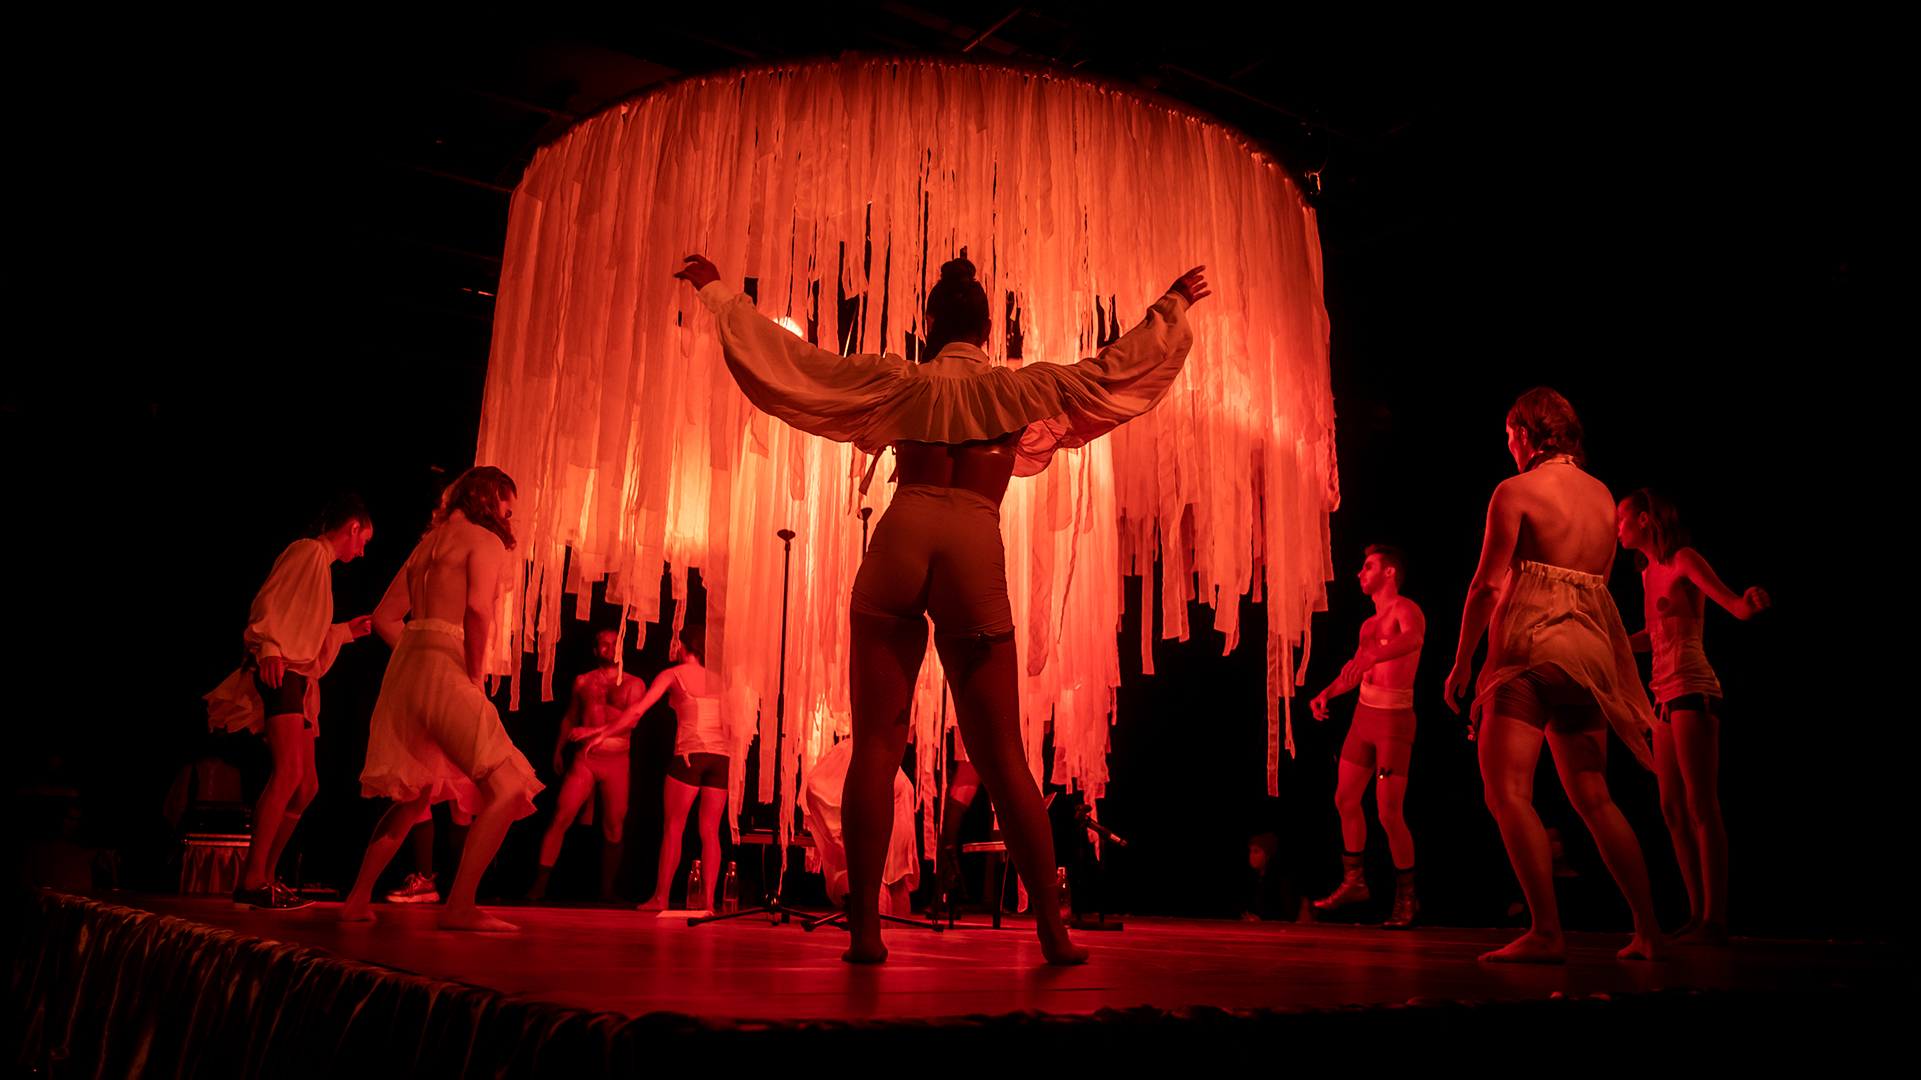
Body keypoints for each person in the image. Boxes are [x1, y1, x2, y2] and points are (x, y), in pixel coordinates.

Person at [677, 248, 1209, 963]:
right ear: (987, 331)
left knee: (872, 746)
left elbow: (792, 364)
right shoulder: (1022, 387)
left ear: (931, 327)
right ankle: (1053, 933)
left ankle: (864, 935)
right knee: (1003, 761)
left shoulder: (901, 380)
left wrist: (718, 295)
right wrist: (1170, 304)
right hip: (972, 537)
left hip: (901, 532)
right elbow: (1114, 370)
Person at [1442, 388, 1666, 963]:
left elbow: (1488, 585)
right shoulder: (1602, 497)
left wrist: (1464, 659)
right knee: (1595, 796)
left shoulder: (1514, 491)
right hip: (1590, 656)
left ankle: (1546, 930)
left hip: (1530, 650)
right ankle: (1648, 933)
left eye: (1510, 436)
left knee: (1507, 791)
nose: (1509, 447)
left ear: (1526, 432)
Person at [337, 467, 543, 930]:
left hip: (408, 672)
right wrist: (470, 673)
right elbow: (476, 609)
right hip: (447, 669)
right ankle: (460, 906)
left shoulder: (425, 546)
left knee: (416, 796)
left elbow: (387, 619)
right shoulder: (483, 540)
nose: (510, 518)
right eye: (508, 508)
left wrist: (419, 655)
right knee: (508, 788)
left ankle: (355, 901)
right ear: (492, 500)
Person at [204, 495, 375, 910]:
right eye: (364, 539)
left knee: (307, 785)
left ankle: (266, 874)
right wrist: (268, 648)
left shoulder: (320, 566)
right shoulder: (309, 552)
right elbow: (270, 603)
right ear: (352, 528)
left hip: (296, 677)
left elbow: (305, 627)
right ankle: (252, 879)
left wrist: (345, 632)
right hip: (281, 671)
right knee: (288, 774)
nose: (363, 550)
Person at [1617, 487, 1769, 945]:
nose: (1616, 527)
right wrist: (1616, 640)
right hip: (1662, 692)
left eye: (1622, 518)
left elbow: (1731, 605)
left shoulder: (1683, 558)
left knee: (1702, 803)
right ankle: (1697, 912)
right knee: (1671, 807)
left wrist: (1748, 603)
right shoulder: (1647, 574)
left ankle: (1715, 920)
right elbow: (1650, 633)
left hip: (1692, 686)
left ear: (1645, 519)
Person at [1308, 544, 1426, 928]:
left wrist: (1381, 653)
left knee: (1389, 813)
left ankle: (1408, 898)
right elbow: (1357, 668)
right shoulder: (1367, 625)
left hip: (1393, 720)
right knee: (1344, 798)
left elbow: (1414, 639)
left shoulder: (1405, 610)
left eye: (1368, 567)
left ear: (1389, 573)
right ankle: (1354, 881)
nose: (1360, 573)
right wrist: (1327, 692)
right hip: (1363, 716)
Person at [597, 623, 728, 912]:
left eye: (677, 645)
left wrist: (604, 732)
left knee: (673, 827)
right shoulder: (720, 679)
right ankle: (708, 902)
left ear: (684, 646)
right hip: (721, 757)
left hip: (690, 754)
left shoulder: (673, 674)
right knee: (710, 831)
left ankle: (661, 897)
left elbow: (636, 711)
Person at [525, 629, 646, 903]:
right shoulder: (583, 681)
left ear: (622, 649)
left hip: (616, 761)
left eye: (615, 644)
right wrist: (558, 750)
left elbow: (631, 721)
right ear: (596, 650)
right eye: (604, 644)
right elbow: (570, 717)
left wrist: (591, 732)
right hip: (585, 760)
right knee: (560, 817)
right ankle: (539, 886)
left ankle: (607, 890)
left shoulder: (634, 684)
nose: (610, 648)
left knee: (614, 826)